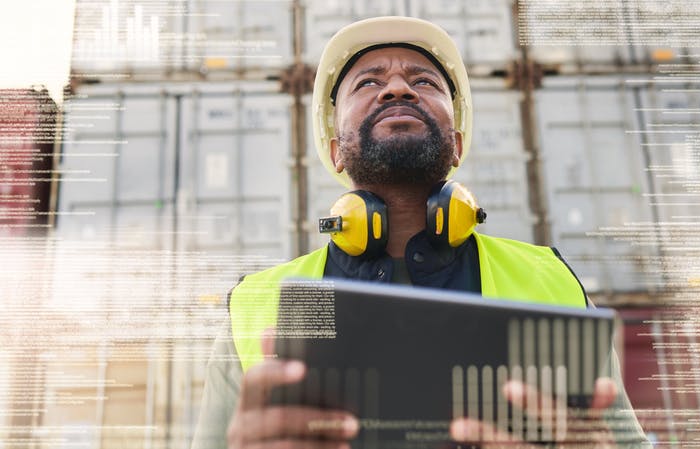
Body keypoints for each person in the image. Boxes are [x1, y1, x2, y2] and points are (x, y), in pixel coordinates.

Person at [191, 16, 651, 449]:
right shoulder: (258, 306)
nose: (396, 88)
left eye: (424, 81)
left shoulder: (552, 283)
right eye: (369, 81)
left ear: (456, 144)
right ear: (336, 152)